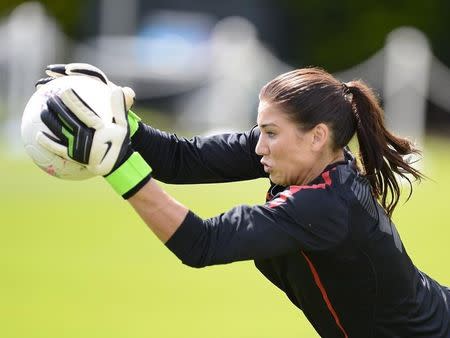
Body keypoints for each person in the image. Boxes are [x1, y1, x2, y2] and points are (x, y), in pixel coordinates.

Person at [35, 64, 450, 337]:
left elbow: (203, 243)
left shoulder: (324, 206)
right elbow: (184, 159)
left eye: (271, 132)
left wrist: (117, 165)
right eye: (260, 131)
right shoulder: (296, 157)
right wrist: (116, 117)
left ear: (318, 136)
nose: (259, 146)